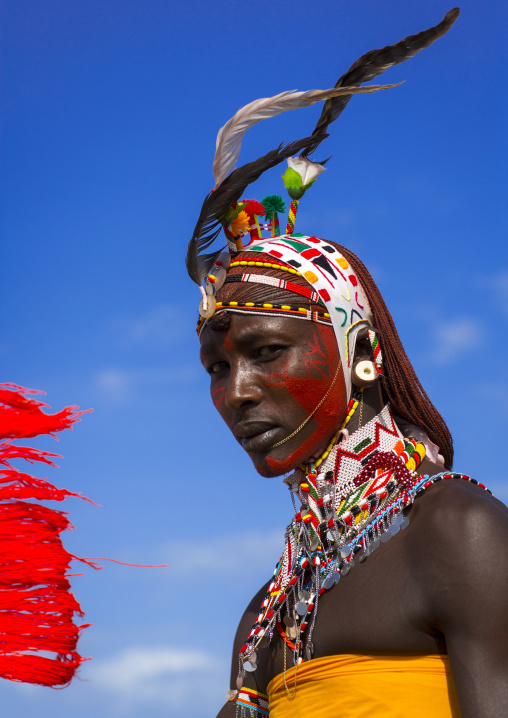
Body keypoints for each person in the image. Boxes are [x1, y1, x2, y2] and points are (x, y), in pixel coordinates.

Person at [188, 9, 508, 718]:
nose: (236, 392)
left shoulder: (459, 533)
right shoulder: (264, 620)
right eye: (216, 368)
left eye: (267, 352)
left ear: (362, 355)